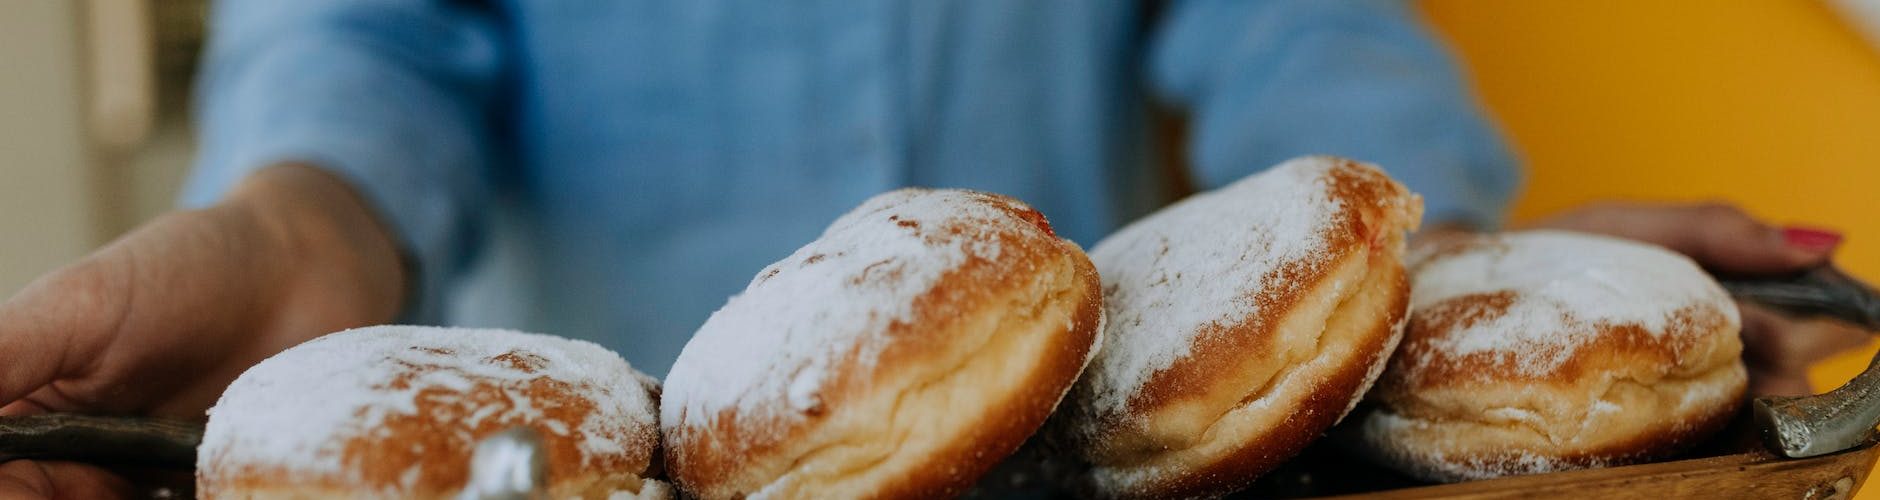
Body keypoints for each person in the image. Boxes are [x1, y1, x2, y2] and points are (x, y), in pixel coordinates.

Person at [0, 1, 1865, 496]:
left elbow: (1296, 20)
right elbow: (365, 39)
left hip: (1061, 447)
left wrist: (1442, 262)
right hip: (569, 452)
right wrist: (284, 237)